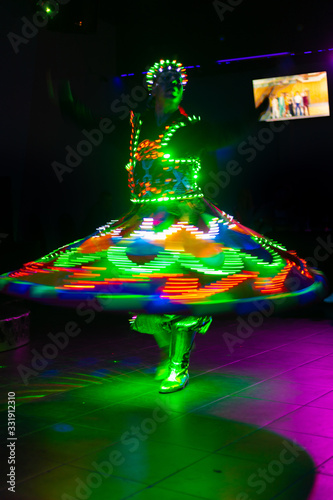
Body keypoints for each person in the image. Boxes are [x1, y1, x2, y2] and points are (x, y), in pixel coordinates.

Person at [0, 59, 328, 393]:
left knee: (184, 291)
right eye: (165, 81)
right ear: (153, 87)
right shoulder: (135, 125)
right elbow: (92, 123)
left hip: (187, 221)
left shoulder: (191, 127)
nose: (172, 86)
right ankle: (184, 331)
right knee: (146, 306)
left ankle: (178, 365)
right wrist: (66, 103)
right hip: (143, 220)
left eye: (177, 82)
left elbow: (230, 129)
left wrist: (266, 107)